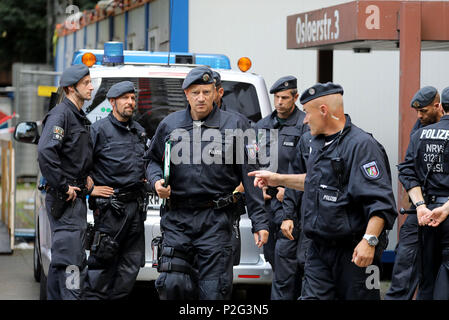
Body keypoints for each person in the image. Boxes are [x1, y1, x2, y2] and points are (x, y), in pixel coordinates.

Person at [249, 82, 397, 300]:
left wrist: (369, 242)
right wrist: (277, 179)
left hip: (356, 251)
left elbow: (380, 203)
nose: (305, 119)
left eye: (307, 113)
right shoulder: (315, 142)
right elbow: (313, 182)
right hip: (319, 248)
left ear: (324, 111)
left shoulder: (362, 145)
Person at [146, 66, 269, 300]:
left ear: (216, 93)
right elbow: (151, 160)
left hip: (216, 222)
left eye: (206, 92)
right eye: (195, 92)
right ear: (186, 94)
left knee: (213, 292)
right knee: (173, 285)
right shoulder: (170, 125)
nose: (200, 98)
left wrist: (260, 222)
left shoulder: (239, 126)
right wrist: (155, 182)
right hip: (177, 219)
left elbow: (251, 176)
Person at [84, 81, 148, 300]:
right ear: (112, 102)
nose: (130, 102)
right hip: (110, 210)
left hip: (135, 210)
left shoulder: (138, 131)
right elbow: (79, 165)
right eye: (125, 98)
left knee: (130, 267)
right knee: (101, 267)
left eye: (132, 98)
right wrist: (90, 190)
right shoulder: (98, 130)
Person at [37, 64, 94, 300]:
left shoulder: (77, 116)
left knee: (62, 262)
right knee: (72, 263)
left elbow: (74, 154)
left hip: (75, 199)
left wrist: (86, 177)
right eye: (86, 83)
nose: (92, 87)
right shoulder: (62, 114)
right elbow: (46, 151)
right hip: (66, 200)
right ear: (71, 88)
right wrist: (63, 185)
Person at [385, 86, 443, 300]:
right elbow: (409, 167)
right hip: (421, 205)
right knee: (405, 263)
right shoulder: (421, 126)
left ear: (438, 106)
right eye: (417, 112)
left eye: (424, 111)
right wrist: (420, 205)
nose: (419, 116)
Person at [255, 75, 308, 300]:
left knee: (290, 268)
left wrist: (291, 186)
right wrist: (258, 187)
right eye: (276, 98)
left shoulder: (306, 125)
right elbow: (250, 160)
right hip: (269, 206)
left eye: (284, 98)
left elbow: (310, 166)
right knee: (275, 261)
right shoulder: (261, 126)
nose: (279, 102)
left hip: (294, 207)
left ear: (295, 97)